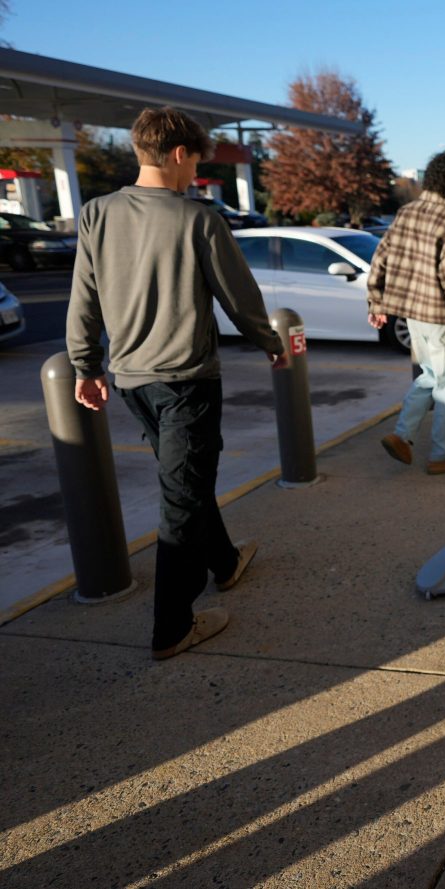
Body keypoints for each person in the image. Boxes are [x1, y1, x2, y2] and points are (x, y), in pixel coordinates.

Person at [67, 106, 287, 660]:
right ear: (180, 154)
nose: (196, 178)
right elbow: (239, 297)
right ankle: (172, 626)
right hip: (186, 379)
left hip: (131, 380)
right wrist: (271, 344)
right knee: (181, 500)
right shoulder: (198, 220)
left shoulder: (96, 213)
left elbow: (84, 297)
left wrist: (85, 366)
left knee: (182, 480)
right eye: (195, 166)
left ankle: (226, 562)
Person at [367, 151, 445, 475]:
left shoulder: (406, 212)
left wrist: (376, 303)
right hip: (439, 316)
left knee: (431, 376)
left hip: (412, 314)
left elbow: (381, 258)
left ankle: (402, 435)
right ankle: (443, 455)